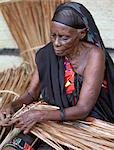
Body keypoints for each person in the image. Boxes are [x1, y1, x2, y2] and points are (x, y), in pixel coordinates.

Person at [0, 1, 114, 150]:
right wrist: (11, 106)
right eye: (53, 36)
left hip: (85, 124)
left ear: (82, 33)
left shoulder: (94, 55)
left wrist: (40, 115)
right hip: (51, 118)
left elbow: (83, 108)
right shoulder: (47, 54)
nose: (56, 43)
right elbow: (30, 93)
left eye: (64, 37)